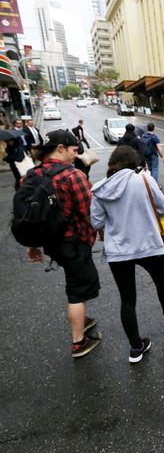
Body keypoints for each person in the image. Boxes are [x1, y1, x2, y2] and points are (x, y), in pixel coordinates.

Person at [90, 146, 164, 364]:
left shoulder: (99, 189)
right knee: (160, 281)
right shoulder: (144, 181)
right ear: (134, 162)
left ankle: (136, 347)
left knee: (127, 298)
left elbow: (96, 222)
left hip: (118, 251)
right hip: (148, 244)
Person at [28, 129, 102, 358]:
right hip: (74, 242)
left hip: (52, 243)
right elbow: (91, 212)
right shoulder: (72, 175)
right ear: (60, 149)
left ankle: (83, 319)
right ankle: (78, 342)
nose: (75, 154)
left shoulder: (31, 175)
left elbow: (28, 214)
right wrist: (102, 233)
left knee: (74, 281)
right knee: (77, 291)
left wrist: (33, 244)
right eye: (73, 150)